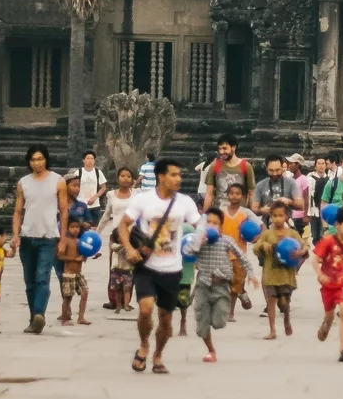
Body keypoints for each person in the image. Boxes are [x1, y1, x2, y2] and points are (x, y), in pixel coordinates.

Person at [122, 160, 201, 374]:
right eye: (174, 175)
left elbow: (198, 225)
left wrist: (206, 236)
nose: (178, 179)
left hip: (172, 269)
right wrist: (129, 248)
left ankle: (158, 354)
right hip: (146, 266)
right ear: (161, 177)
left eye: (179, 175)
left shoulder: (185, 202)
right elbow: (123, 224)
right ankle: (144, 344)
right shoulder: (143, 200)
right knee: (146, 309)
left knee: (166, 319)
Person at [6, 147, 70, 334]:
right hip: (27, 237)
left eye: (40, 159)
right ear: (29, 162)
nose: (37, 163)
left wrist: (63, 238)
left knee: (43, 277)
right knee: (30, 281)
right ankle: (34, 317)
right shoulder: (23, 183)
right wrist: (15, 234)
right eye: (33, 160)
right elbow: (18, 211)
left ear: (46, 160)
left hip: (48, 237)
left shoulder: (58, 181)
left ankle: (39, 314)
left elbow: (64, 211)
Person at [191, 183, 255, 362]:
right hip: (203, 284)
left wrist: (251, 274)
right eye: (208, 222)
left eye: (215, 223)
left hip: (221, 286)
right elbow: (187, 252)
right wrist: (198, 243)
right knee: (201, 327)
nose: (211, 225)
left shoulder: (226, 241)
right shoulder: (199, 240)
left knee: (219, 322)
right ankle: (211, 350)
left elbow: (242, 256)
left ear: (221, 226)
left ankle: (233, 299)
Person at [313, 211, 343, 361]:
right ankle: (327, 323)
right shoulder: (328, 241)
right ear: (337, 225)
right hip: (328, 285)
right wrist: (320, 274)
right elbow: (315, 260)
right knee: (329, 314)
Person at [256, 202, 298, 339]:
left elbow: (303, 248)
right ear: (270, 217)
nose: (278, 219)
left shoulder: (292, 234)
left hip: (286, 276)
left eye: (281, 215)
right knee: (271, 302)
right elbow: (256, 248)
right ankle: (272, 330)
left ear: (286, 216)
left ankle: (286, 317)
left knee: (283, 303)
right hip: (270, 275)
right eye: (274, 216)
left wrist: (299, 253)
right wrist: (263, 246)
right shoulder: (267, 234)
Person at [101, 166, 138, 316]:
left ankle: (126, 301)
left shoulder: (137, 194)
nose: (125, 178)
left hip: (132, 235)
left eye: (128, 176)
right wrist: (97, 233)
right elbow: (106, 215)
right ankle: (114, 300)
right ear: (118, 178)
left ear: (132, 179)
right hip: (116, 235)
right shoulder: (111, 195)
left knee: (131, 268)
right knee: (114, 267)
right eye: (122, 175)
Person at [55, 212, 92, 326]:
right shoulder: (65, 241)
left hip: (78, 273)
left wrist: (85, 256)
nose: (75, 230)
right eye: (72, 227)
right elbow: (60, 256)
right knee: (68, 297)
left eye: (77, 227)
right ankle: (65, 318)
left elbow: (83, 253)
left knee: (85, 293)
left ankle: (81, 317)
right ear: (67, 228)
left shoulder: (79, 241)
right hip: (69, 274)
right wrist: (74, 259)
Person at [71, 151, 105, 222]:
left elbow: (103, 187)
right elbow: (72, 186)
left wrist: (95, 197)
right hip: (81, 203)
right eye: (88, 158)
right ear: (83, 160)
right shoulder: (78, 172)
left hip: (95, 205)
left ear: (94, 161)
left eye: (92, 159)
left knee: (94, 227)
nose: (90, 161)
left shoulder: (98, 172)